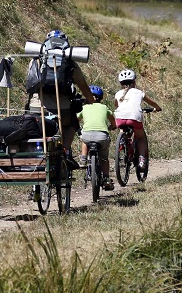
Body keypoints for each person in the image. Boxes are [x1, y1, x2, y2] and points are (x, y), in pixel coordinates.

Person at [27, 30, 95, 167]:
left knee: (34, 128)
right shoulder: (70, 64)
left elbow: (30, 84)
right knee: (70, 126)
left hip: (37, 107)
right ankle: (63, 151)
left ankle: (33, 154)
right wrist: (90, 100)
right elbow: (84, 87)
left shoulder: (37, 60)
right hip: (62, 108)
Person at [114, 69, 162, 169]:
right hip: (134, 117)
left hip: (119, 118)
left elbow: (116, 106)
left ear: (121, 83)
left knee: (122, 129)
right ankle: (141, 161)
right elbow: (151, 103)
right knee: (141, 138)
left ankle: (122, 143)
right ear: (134, 82)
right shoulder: (138, 92)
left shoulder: (118, 94)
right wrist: (157, 108)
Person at [77, 85, 116, 190]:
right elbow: (113, 121)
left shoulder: (84, 108)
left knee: (84, 140)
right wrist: (112, 127)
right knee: (104, 158)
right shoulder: (104, 107)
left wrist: (78, 129)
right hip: (102, 136)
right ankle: (107, 178)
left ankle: (83, 159)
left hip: (87, 135)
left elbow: (76, 119)